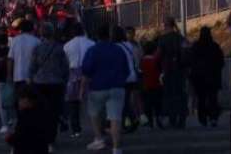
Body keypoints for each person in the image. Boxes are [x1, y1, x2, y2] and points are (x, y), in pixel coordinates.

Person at [82, 24, 130, 154]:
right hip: (117, 87)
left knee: (94, 113)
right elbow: (126, 70)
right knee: (116, 118)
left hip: (97, 87)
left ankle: (99, 139)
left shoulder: (92, 50)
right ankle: (117, 148)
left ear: (96, 36)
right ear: (109, 35)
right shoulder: (118, 50)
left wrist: (82, 90)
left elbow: (86, 71)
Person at [29, 23, 69, 151]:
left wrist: (31, 80)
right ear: (52, 33)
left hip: (39, 83)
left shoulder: (37, 48)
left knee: (40, 112)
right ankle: (51, 140)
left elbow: (32, 68)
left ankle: (41, 139)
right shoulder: (59, 48)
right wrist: (64, 81)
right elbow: (65, 68)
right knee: (53, 113)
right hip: (56, 84)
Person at [156, 17, 189, 129]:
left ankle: (172, 118)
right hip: (180, 70)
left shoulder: (163, 39)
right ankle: (182, 117)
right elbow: (186, 49)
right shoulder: (180, 38)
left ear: (166, 25)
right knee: (180, 93)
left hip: (168, 69)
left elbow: (158, 55)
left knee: (169, 94)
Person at [63, 23, 95, 138]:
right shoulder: (91, 43)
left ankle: (76, 129)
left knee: (73, 103)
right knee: (92, 101)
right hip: (89, 73)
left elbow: (65, 63)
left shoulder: (67, 45)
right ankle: (95, 126)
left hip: (73, 73)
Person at [188, 26, 224, 127]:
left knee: (201, 99)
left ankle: (203, 119)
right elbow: (221, 62)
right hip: (213, 77)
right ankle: (213, 118)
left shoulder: (196, 47)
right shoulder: (214, 46)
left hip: (199, 78)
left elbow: (191, 61)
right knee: (213, 98)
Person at [6, 84, 54, 154]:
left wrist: (9, 138)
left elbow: (20, 136)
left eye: (21, 99)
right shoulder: (43, 113)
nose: (19, 102)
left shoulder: (26, 117)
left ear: (28, 100)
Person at [7, 19, 40, 93]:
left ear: (20, 30)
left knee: (20, 100)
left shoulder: (14, 41)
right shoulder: (37, 41)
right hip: (33, 77)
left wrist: (9, 75)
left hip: (18, 76)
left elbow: (10, 59)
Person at [139, 41, 163, 129]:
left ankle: (150, 121)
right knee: (157, 104)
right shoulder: (156, 60)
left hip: (146, 85)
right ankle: (158, 118)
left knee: (148, 104)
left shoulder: (143, 60)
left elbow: (141, 73)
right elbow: (160, 71)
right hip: (156, 84)